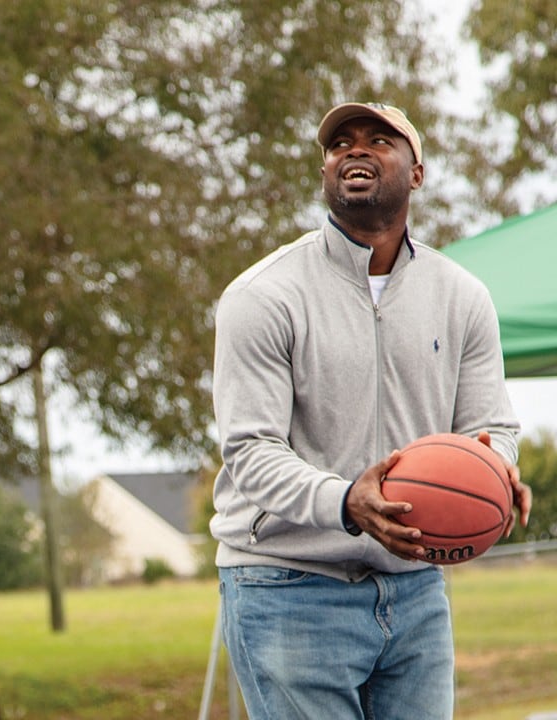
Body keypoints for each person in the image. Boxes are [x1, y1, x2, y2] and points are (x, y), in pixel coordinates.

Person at [209, 102, 533, 719]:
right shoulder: (263, 296)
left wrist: (496, 468)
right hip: (286, 586)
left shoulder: (462, 296)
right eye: (340, 144)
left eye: (378, 139)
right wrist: (344, 500)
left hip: (414, 591)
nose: (354, 150)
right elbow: (250, 451)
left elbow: (491, 425)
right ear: (327, 169)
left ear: (416, 172)